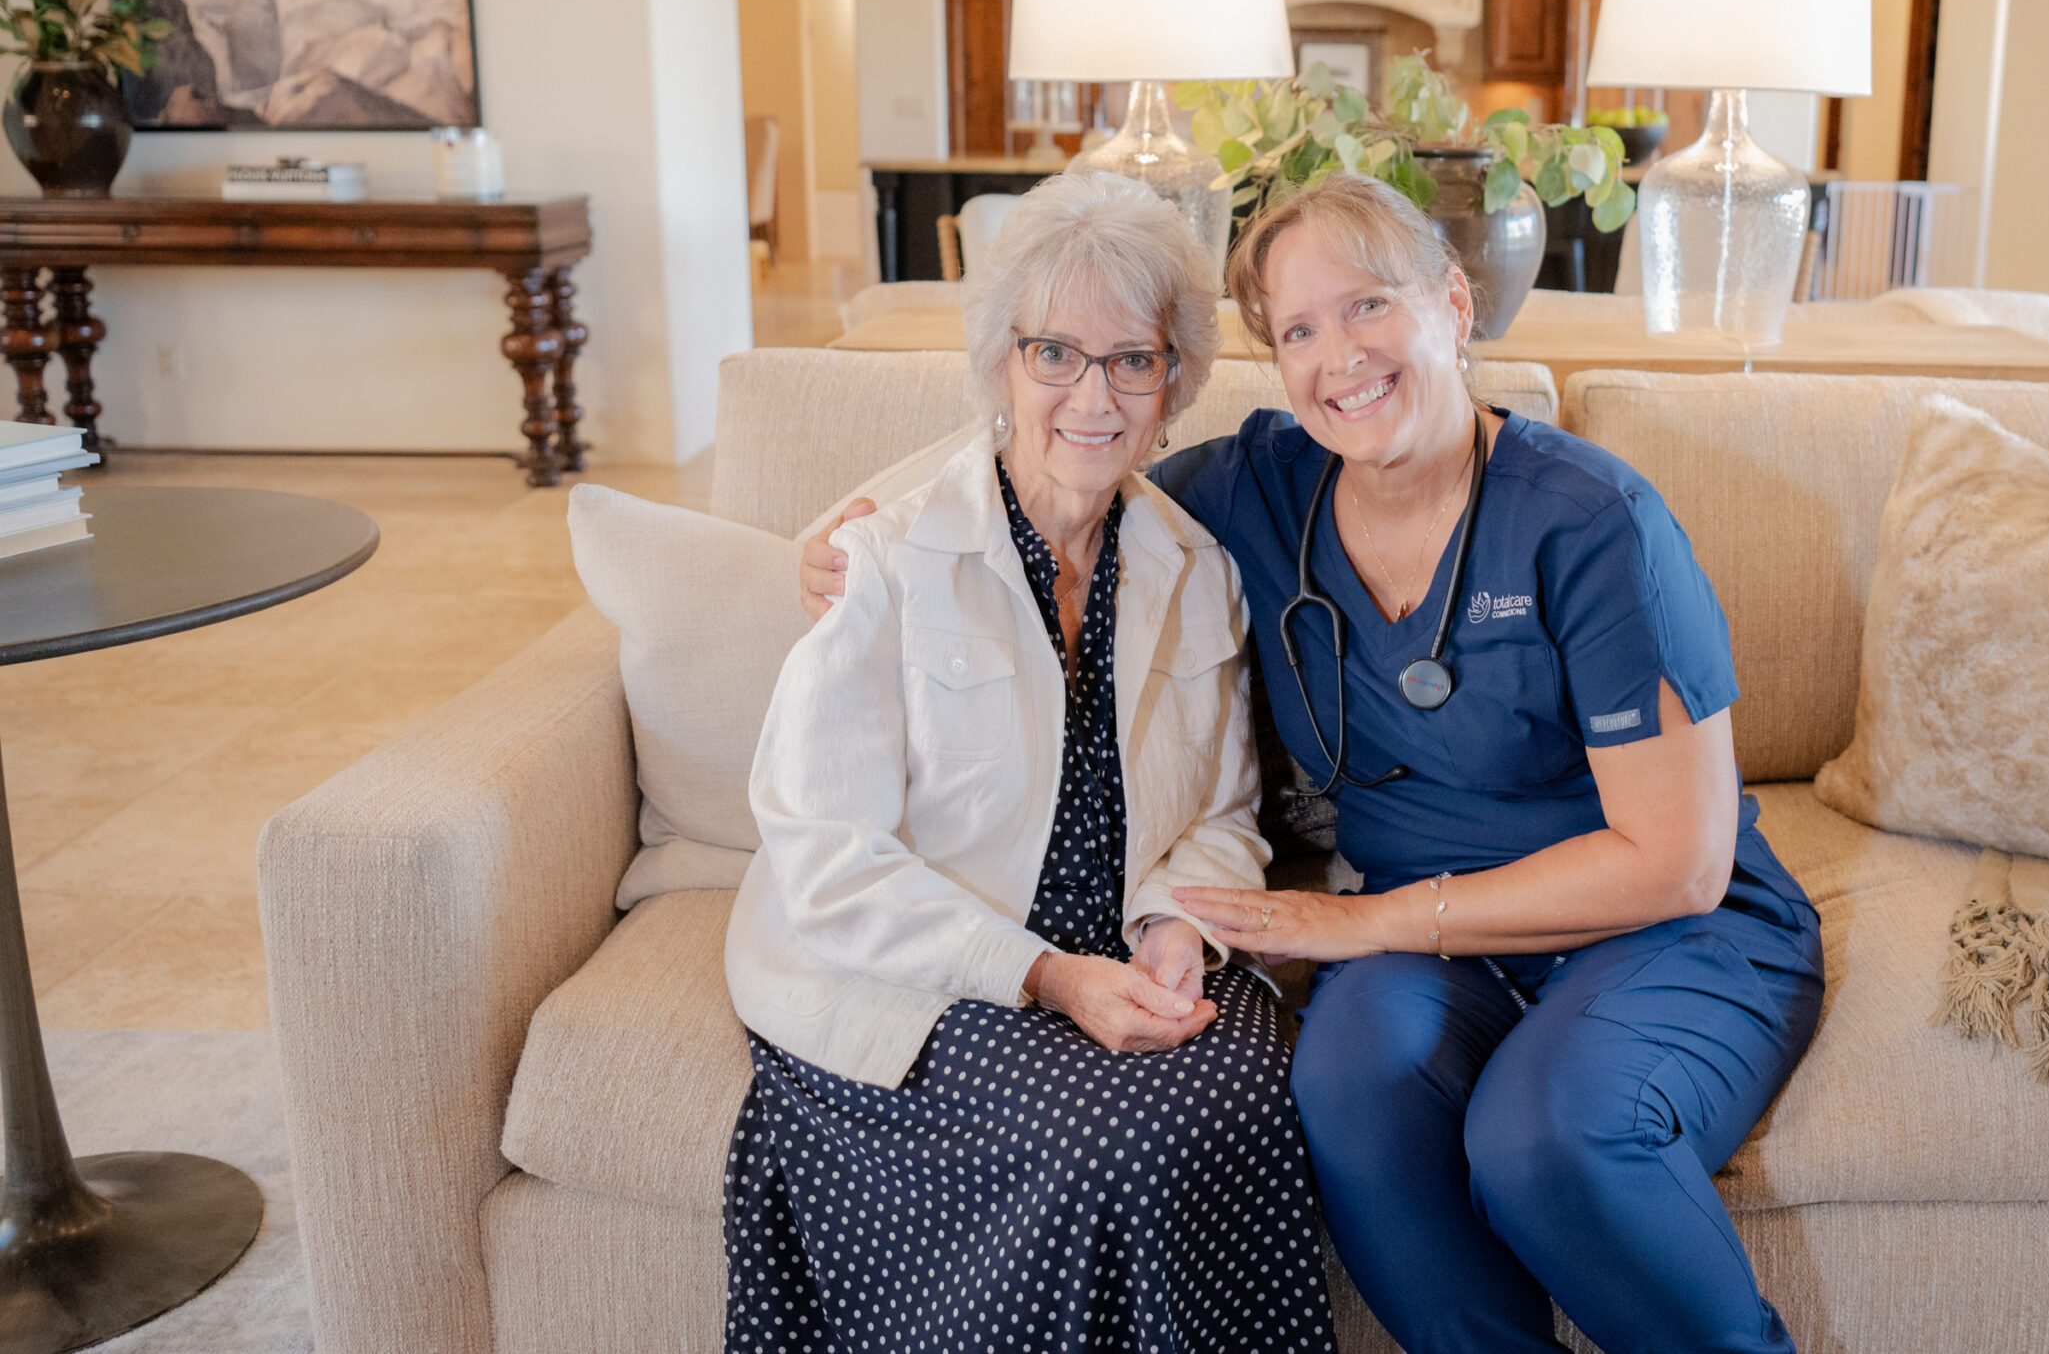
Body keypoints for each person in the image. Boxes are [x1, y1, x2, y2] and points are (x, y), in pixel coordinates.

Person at [803, 173, 1825, 1354]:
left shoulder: (1594, 523)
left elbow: (1678, 863)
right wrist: (849, 533)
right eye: (1298, 330)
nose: (1339, 357)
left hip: (1657, 933)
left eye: (1367, 306)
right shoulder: (1256, 491)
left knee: (1546, 1135)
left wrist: (1374, 922)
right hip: (1445, 962)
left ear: (1452, 302)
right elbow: (1071, 440)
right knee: (1346, 1087)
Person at [728, 171, 1335, 1354]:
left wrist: (1175, 925)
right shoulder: (887, 558)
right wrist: (1048, 975)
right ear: (1001, 365)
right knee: (1099, 1144)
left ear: (1175, 382)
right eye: (1054, 352)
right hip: (921, 961)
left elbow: (1221, 807)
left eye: (1132, 359)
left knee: (1251, 1084)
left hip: (1120, 943)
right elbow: (827, 855)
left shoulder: (1191, 563)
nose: (1092, 396)